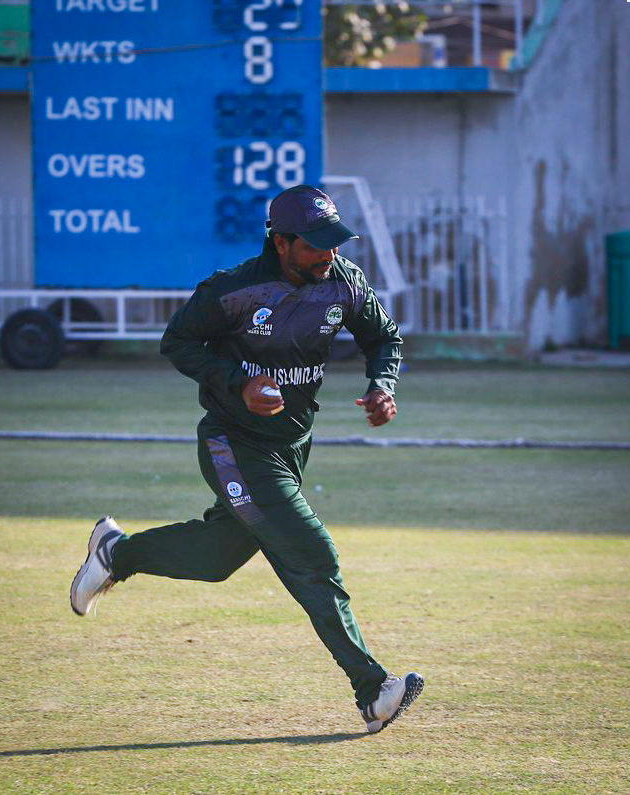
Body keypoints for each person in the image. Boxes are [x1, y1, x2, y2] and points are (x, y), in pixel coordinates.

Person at [70, 184, 424, 734]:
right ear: (281, 243)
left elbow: (385, 338)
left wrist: (382, 385)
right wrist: (239, 382)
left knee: (218, 557)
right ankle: (374, 690)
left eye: (333, 242)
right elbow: (177, 342)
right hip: (233, 444)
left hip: (292, 447)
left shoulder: (344, 281)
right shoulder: (233, 290)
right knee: (312, 551)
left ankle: (117, 553)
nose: (328, 253)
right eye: (315, 244)